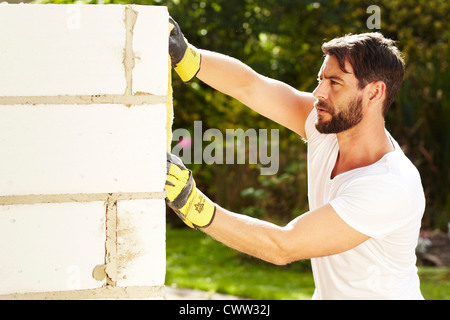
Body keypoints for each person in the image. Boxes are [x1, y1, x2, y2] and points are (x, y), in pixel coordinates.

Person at [165, 17, 425, 300]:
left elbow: (283, 246)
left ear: (374, 92)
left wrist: (190, 203)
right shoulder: (327, 127)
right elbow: (250, 87)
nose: (318, 93)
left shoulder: (389, 185)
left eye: (335, 82)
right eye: (320, 79)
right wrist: (188, 55)